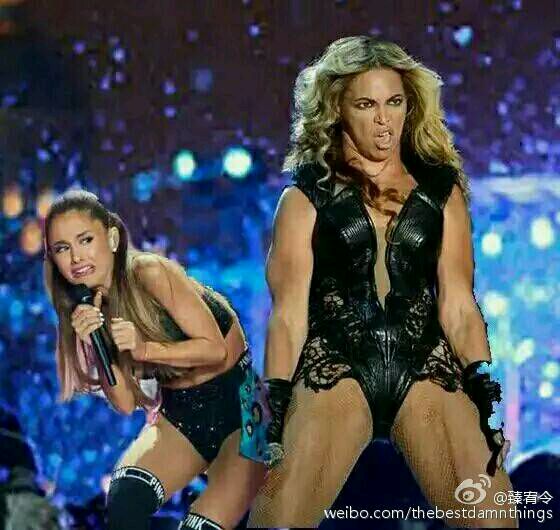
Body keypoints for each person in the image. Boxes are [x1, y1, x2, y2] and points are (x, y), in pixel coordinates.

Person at [248, 37, 518, 528]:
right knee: (279, 521)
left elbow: (459, 304)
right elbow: (288, 313)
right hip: (335, 365)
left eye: (394, 102)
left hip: (425, 365)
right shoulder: (304, 198)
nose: (383, 120)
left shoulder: (441, 192)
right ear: (337, 110)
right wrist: (278, 403)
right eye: (366, 105)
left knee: (494, 520)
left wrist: (484, 391)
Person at [43, 190, 266, 530]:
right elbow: (124, 402)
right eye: (62, 248)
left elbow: (215, 350)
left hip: (243, 407)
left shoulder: (149, 272)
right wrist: (96, 343)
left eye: (85, 240)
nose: (76, 257)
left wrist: (145, 349)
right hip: (181, 416)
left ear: (112, 238)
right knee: (124, 500)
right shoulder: (89, 310)